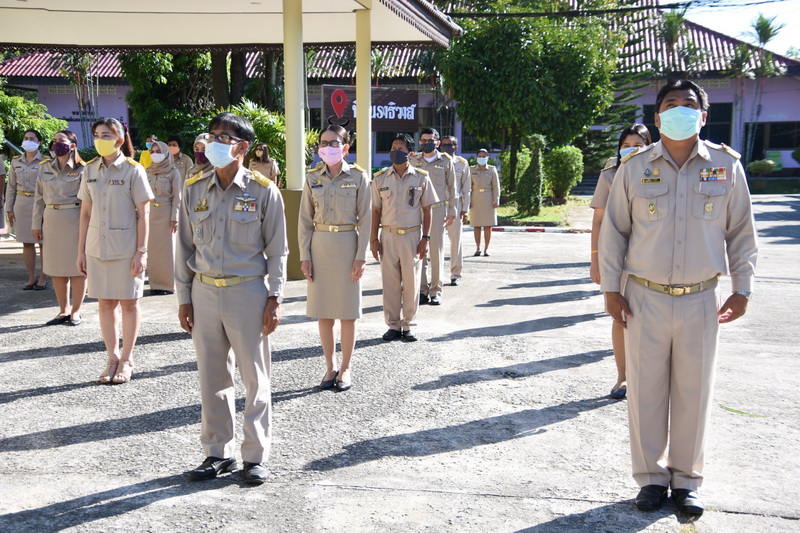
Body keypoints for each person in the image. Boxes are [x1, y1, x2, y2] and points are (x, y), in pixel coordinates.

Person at [599, 79, 758, 516]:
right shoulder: (634, 167)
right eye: (671, 104)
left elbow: (741, 233)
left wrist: (742, 288)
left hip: (701, 299)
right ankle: (650, 478)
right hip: (644, 297)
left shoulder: (726, 166)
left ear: (703, 117)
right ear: (657, 117)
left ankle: (687, 480)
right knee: (645, 393)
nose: (680, 110)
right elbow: (614, 232)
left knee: (694, 392)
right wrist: (610, 289)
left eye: (689, 104)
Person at [176, 112, 287, 485]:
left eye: (223, 137)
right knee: (212, 376)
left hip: (247, 291)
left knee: (254, 378)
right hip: (204, 291)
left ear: (243, 147)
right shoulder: (193, 188)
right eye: (212, 135)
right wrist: (184, 297)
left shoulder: (263, 190)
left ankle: (255, 456)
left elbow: (278, 251)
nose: (214, 142)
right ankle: (217, 452)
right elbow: (184, 248)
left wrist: (275, 297)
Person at [77, 118, 153, 385]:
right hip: (97, 247)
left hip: (126, 248)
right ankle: (112, 357)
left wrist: (141, 251)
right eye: (97, 135)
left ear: (120, 140)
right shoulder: (89, 169)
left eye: (106, 135)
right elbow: (85, 214)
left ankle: (127, 359)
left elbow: (144, 214)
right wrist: (80, 251)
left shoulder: (133, 170)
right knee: (105, 303)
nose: (100, 139)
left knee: (129, 302)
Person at [298, 124, 371, 392]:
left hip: (347, 244)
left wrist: (361, 256)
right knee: (324, 312)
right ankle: (330, 366)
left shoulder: (359, 177)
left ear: (345, 148)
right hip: (319, 246)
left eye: (334, 143)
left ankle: (346, 367)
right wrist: (304, 255)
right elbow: (304, 220)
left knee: (347, 312)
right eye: (323, 143)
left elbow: (366, 220)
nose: (327, 147)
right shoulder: (312, 177)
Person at [590, 124, 652, 400]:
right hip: (621, 259)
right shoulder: (610, 174)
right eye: (625, 146)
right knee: (621, 316)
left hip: (654, 256)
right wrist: (595, 260)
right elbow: (598, 221)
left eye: (638, 145)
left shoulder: (664, 172)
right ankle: (623, 376)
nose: (631, 150)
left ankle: (649, 378)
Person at [370, 133, 437, 342]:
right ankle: (393, 325)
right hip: (388, 236)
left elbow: (427, 210)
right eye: (393, 148)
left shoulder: (421, 177)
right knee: (390, 283)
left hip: (412, 236)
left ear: (410, 153)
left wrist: (425, 238)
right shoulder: (380, 178)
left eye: (400, 148)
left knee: (411, 283)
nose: (396, 151)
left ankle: (409, 324)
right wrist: (374, 240)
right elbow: (375, 211)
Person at [32, 130, 87, 326]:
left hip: (74, 220)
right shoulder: (45, 167)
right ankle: (63, 310)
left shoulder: (83, 169)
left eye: (61, 141)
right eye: (54, 141)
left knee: (77, 268)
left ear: (72, 145)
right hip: (51, 220)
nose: (57, 144)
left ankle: (76, 311)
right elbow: (38, 198)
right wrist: (36, 224)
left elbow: (88, 201)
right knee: (56, 267)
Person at [409, 128, 455, 305]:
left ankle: (436, 290)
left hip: (437, 210)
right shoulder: (414, 160)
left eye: (430, 140)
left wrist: (452, 212)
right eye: (423, 140)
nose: (426, 143)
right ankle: (421, 290)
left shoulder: (445, 161)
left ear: (437, 142)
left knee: (436, 251)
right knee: (418, 250)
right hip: (417, 211)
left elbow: (453, 188)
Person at [6, 129, 49, 290]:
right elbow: (11, 187)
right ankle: (31, 277)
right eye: (26, 138)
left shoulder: (46, 161)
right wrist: (9, 208)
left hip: (41, 203)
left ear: (39, 142)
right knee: (27, 242)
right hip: (22, 203)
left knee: (43, 242)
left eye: (32, 138)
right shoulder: (16, 161)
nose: (28, 141)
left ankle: (43, 277)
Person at [145, 140, 182, 295]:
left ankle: (167, 285)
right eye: (152, 152)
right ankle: (155, 284)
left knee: (167, 251)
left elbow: (177, 197)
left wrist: (175, 217)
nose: (155, 155)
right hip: (150, 214)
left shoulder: (173, 172)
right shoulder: (147, 171)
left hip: (167, 214)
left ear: (166, 153)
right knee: (152, 252)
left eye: (158, 151)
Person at [440, 135, 471, 286]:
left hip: (455, 205)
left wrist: (465, 209)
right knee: (434, 242)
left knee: (455, 242)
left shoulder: (462, 163)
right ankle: (435, 276)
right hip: (437, 205)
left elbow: (467, 189)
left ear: (456, 147)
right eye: (444, 144)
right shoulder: (436, 162)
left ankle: (456, 274)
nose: (447, 147)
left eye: (450, 144)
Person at [469, 149, 500, 256]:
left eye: (484, 156)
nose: (481, 158)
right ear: (477, 157)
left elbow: (496, 186)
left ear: (487, 158)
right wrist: (468, 201)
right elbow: (468, 187)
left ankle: (486, 249)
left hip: (488, 198)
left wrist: (496, 199)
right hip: (475, 198)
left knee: (488, 225)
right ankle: (478, 248)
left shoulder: (492, 169)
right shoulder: (471, 169)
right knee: (476, 225)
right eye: (480, 156)